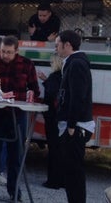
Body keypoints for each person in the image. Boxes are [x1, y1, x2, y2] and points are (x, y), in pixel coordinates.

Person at [0, 35, 40, 202]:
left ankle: (14, 191)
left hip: (17, 115)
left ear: (16, 51)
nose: (5, 55)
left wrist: (30, 94)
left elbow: (34, 90)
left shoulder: (27, 64)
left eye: (9, 52)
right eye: (2, 52)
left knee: (16, 154)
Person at [55, 30, 94, 203]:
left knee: (74, 172)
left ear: (67, 44)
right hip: (73, 125)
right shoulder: (72, 62)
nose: (56, 47)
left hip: (76, 126)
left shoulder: (77, 63)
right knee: (70, 171)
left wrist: (71, 126)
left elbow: (78, 96)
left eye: (58, 44)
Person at [37, 54, 64, 190]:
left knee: (53, 149)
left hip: (52, 117)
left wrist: (46, 81)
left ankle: (53, 180)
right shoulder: (64, 75)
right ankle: (61, 179)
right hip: (61, 118)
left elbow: (52, 92)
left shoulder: (55, 76)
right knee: (60, 150)